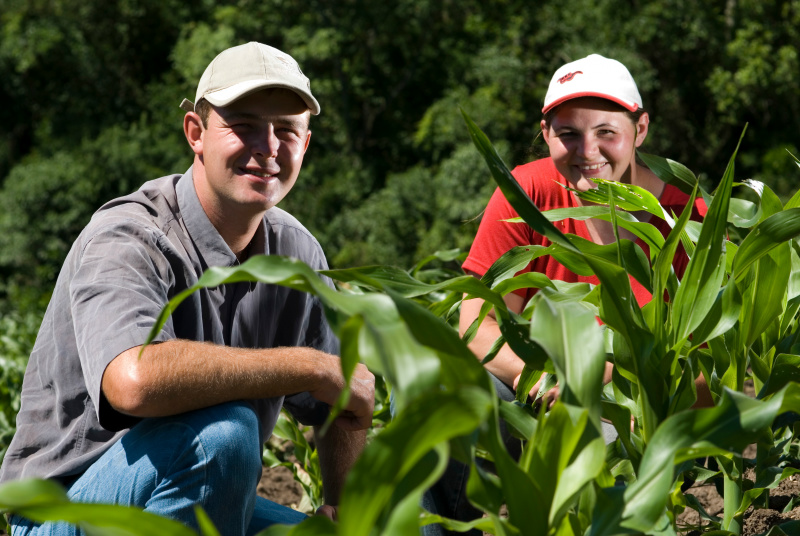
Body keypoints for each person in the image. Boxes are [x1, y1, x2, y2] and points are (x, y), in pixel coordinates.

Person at [0, 42, 375, 536]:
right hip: (69, 508)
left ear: (305, 145)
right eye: (243, 126)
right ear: (196, 134)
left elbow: (341, 402)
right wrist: (307, 366)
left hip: (196, 494)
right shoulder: (129, 236)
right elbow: (132, 382)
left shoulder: (297, 255)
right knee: (224, 434)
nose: (268, 146)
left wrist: (348, 512)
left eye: (287, 130)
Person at [422, 54, 709, 535]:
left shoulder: (686, 216)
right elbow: (475, 323)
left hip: (634, 403)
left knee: (601, 482)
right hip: (535, 385)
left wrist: (626, 403)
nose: (587, 150)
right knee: (449, 407)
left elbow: (703, 366)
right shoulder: (528, 189)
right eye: (568, 133)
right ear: (546, 132)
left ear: (640, 130)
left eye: (606, 132)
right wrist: (532, 378)